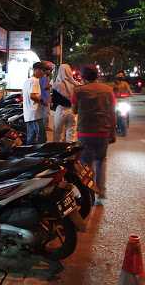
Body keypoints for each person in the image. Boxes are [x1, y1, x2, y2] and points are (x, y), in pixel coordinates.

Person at [72, 64, 116, 205]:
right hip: (103, 132)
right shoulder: (108, 90)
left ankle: (89, 193)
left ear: (83, 77)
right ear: (97, 76)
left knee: (86, 164)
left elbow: (74, 110)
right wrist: (112, 132)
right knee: (101, 161)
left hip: (85, 132)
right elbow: (112, 113)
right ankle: (101, 193)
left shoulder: (78, 91)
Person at [52, 64, 80, 142]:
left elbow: (54, 101)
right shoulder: (76, 85)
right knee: (71, 133)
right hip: (73, 111)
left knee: (58, 133)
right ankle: (70, 151)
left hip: (61, 110)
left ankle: (58, 151)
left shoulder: (56, 85)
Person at [22, 62, 46, 144]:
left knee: (31, 138)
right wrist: (43, 102)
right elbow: (32, 96)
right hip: (35, 114)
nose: (43, 72)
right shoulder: (35, 81)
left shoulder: (27, 81)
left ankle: (27, 154)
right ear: (36, 70)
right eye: (42, 70)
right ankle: (38, 155)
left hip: (29, 114)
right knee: (41, 139)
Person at [39, 61, 54, 141]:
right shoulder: (44, 77)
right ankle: (45, 126)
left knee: (46, 113)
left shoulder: (45, 77)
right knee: (45, 113)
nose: (50, 72)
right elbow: (45, 87)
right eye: (49, 70)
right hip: (44, 98)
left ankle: (45, 125)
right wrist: (50, 85)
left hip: (46, 97)